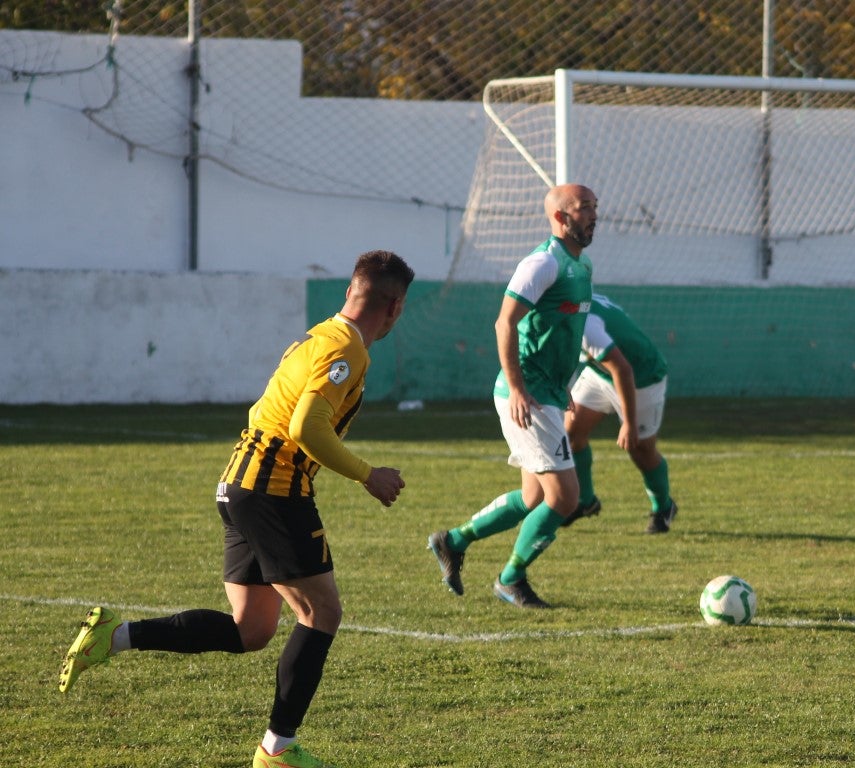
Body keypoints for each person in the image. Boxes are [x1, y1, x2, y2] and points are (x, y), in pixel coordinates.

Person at [58, 250, 415, 768]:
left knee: (252, 630)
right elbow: (306, 428)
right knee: (322, 612)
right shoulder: (348, 350)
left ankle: (114, 636)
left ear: (348, 292)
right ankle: (278, 750)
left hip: (239, 485)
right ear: (396, 307)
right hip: (274, 491)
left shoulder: (316, 336)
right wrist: (368, 474)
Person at [427, 183, 597, 609]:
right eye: (584, 208)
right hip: (527, 395)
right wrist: (521, 389)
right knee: (565, 497)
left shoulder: (583, 265)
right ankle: (510, 578)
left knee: (533, 498)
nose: (594, 215)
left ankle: (454, 540)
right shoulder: (542, 263)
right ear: (561, 217)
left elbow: (560, 333)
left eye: (595, 207)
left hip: (547, 394)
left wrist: (563, 390)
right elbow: (505, 325)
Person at [560, 292, 677, 534]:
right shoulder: (568, 307)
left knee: (640, 448)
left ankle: (664, 507)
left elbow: (622, 369)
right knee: (571, 433)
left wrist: (629, 423)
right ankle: (586, 501)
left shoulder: (586, 321)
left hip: (641, 378)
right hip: (601, 372)